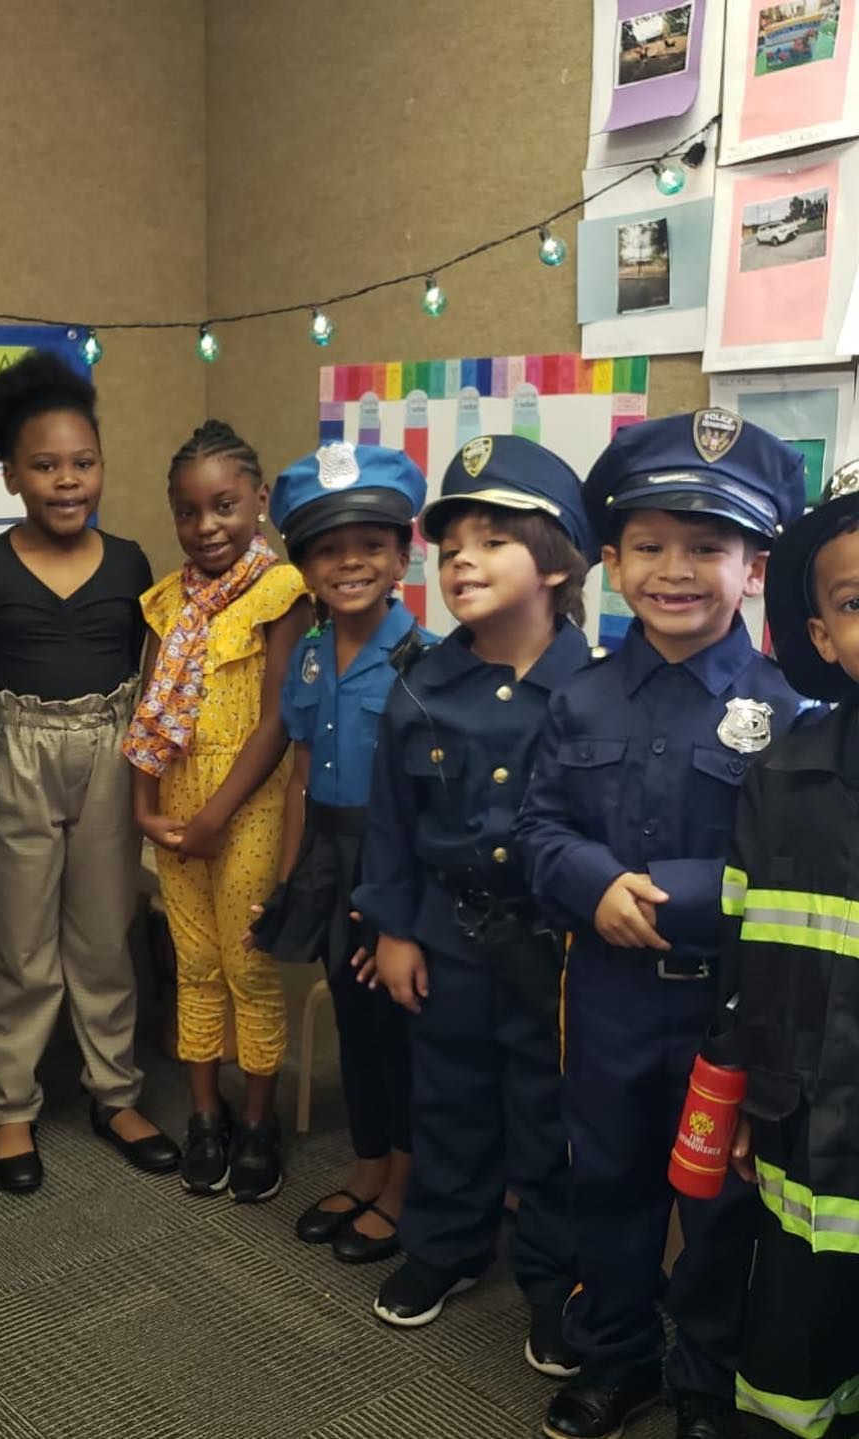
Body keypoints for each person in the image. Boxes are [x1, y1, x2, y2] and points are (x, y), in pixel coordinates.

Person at [518, 411, 811, 1439]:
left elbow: (789, 861)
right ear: (610, 558)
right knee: (608, 1177)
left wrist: (677, 893)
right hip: (606, 997)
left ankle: (701, 1378)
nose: (673, 571)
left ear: (755, 565)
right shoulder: (582, 698)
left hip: (729, 1014)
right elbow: (539, 823)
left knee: (722, 1203)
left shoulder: (787, 711)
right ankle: (618, 1357)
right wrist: (591, 879)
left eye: (706, 548)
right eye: (648, 545)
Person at [353, 435, 594, 1379]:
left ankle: (553, 1274)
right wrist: (396, 927)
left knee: (549, 1110)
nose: (462, 560)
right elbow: (391, 822)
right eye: (450, 544)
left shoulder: (596, 691)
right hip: (447, 932)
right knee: (447, 1095)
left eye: (494, 540)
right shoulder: (421, 684)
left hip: (555, 945)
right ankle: (446, 1244)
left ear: (560, 556)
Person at [0, 349, 179, 1192]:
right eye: (45, 465)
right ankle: (11, 1105)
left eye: (83, 463)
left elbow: (153, 671)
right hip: (14, 752)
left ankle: (115, 1090)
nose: (67, 480)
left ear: (102, 467)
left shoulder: (130, 562)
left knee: (103, 931)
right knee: (19, 943)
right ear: (13, 475)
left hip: (108, 751)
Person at [250, 440, 431, 1260]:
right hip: (327, 854)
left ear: (402, 554)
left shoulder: (425, 664)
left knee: (399, 1030)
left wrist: (401, 910)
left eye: (369, 544)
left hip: (392, 864)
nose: (349, 561)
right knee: (356, 1027)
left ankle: (404, 1182)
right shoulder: (315, 653)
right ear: (306, 566)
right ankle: (366, 1166)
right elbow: (296, 777)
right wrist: (290, 882)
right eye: (327, 548)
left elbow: (430, 808)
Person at [125, 419, 309, 1202]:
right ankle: (207, 1114)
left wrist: (214, 817)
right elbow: (144, 712)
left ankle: (260, 1121)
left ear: (260, 501)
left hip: (249, 813)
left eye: (226, 506)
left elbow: (278, 719)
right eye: (189, 511)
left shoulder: (284, 593)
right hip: (173, 811)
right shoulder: (164, 602)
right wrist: (144, 807)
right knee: (194, 968)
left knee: (248, 969)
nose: (207, 527)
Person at [720, 459, 859, 1439]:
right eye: (857, 601)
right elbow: (745, 968)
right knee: (797, 1345)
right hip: (808, 1125)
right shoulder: (780, 778)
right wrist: (729, 1099)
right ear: (822, 635)